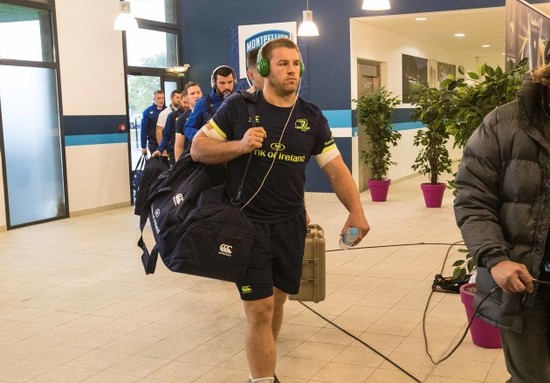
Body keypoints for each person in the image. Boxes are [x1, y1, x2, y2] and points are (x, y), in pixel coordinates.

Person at [191, 37, 370, 383]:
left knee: (277, 300)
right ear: (263, 70)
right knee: (259, 309)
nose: (292, 71)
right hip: (247, 224)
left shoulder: (311, 118)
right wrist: (240, 145)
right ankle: (261, 378)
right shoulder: (237, 108)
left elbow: (336, 169)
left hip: (290, 225)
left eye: (296, 64)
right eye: (283, 64)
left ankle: (265, 360)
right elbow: (198, 148)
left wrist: (356, 210)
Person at [454, 63, 550, 382]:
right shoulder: (502, 123)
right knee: (532, 376)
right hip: (528, 284)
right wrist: (496, 259)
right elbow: (472, 196)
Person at [182, 65, 236, 151]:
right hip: (210, 153)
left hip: (234, 151)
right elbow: (188, 128)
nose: (226, 87)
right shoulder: (203, 103)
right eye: (222, 83)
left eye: (230, 82)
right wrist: (203, 138)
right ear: (214, 83)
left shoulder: (239, 101)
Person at [153, 91, 189, 164]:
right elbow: (166, 135)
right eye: (184, 103)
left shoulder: (195, 114)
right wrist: (160, 149)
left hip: (190, 152)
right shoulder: (172, 116)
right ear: (180, 101)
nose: (187, 105)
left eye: (188, 103)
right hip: (174, 151)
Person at [174, 81, 203, 160]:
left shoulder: (210, 113)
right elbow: (179, 146)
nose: (196, 96)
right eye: (192, 93)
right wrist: (178, 168)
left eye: (198, 92)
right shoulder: (182, 119)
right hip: (191, 160)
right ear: (187, 97)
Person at [140, 90, 165, 155]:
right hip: (154, 143)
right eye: (158, 98)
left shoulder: (167, 111)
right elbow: (144, 130)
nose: (161, 100)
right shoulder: (148, 112)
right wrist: (143, 146)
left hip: (166, 142)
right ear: (154, 99)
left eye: (162, 98)